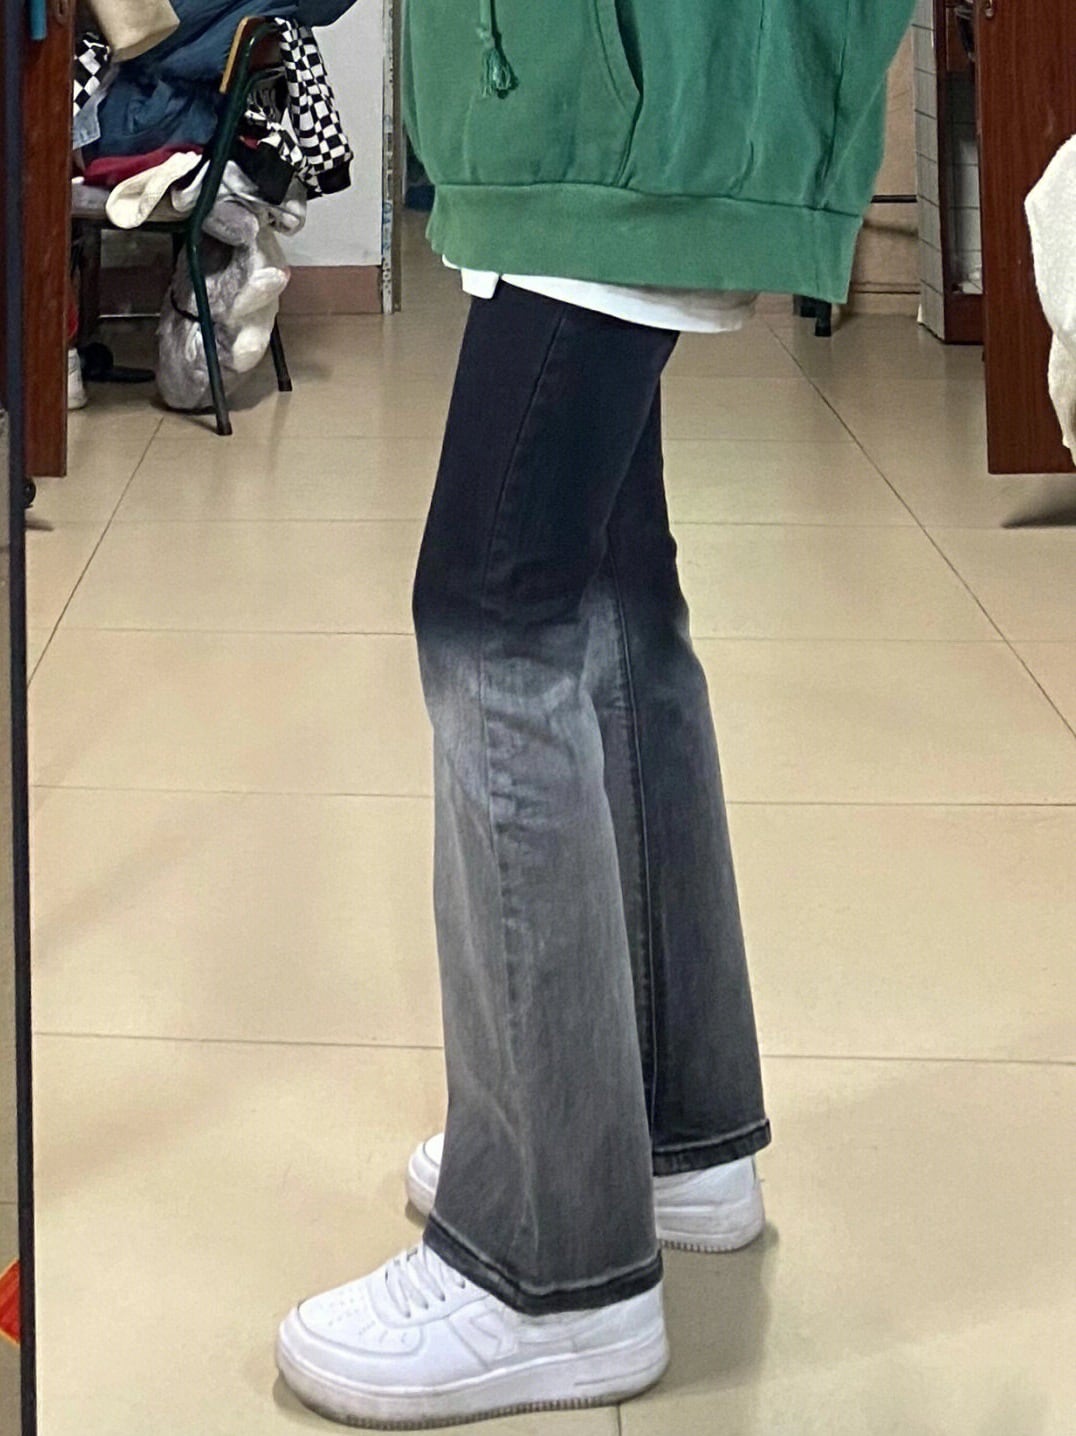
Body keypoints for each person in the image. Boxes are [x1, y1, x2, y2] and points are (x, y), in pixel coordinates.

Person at [277, 2, 914, 1426]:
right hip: (597, 97)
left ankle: (548, 1263)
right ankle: (670, 1136)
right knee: (612, 593)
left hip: (618, 100)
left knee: (492, 612)